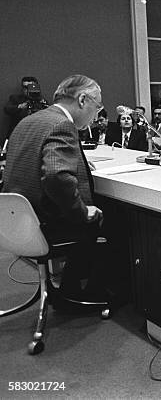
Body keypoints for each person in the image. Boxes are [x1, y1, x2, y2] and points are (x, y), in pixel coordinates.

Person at [2, 74, 107, 299]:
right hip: (46, 225)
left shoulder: (28, 121)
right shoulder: (62, 124)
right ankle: (84, 293)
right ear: (82, 100)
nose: (95, 115)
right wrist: (82, 210)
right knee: (113, 219)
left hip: (18, 222)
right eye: (97, 107)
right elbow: (56, 177)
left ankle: (68, 288)